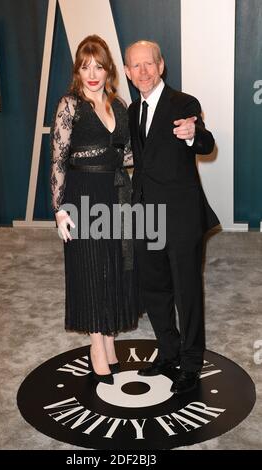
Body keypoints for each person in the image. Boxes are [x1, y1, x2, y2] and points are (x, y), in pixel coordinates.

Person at [125, 40, 220, 394]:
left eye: (149, 64)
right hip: (146, 215)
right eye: (135, 66)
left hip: (180, 217)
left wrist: (195, 134)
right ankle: (168, 352)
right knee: (155, 290)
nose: (143, 71)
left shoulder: (184, 103)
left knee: (187, 292)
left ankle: (192, 363)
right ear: (127, 72)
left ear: (161, 66)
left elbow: (206, 143)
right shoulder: (133, 111)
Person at [50, 35, 140, 385]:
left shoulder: (118, 106)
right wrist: (58, 209)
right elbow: (58, 158)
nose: (92, 73)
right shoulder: (70, 104)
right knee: (89, 269)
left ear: (108, 70)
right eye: (85, 66)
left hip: (116, 193)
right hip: (82, 195)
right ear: (78, 69)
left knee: (114, 267)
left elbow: (128, 155)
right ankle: (96, 346)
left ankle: (110, 339)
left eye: (98, 66)